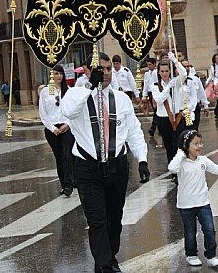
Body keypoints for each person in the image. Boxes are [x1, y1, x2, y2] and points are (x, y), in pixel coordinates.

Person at [60, 52, 150, 273]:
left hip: (116, 165)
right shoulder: (76, 95)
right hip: (88, 167)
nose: (106, 73)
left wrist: (142, 159)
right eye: (101, 69)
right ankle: (104, 266)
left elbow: (133, 130)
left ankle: (109, 257)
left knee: (114, 218)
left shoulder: (121, 99)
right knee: (97, 220)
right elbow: (68, 111)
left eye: (109, 69)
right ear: (88, 71)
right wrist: (90, 85)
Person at [169, 130, 218, 267]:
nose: (200, 146)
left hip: (203, 203)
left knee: (209, 229)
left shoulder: (203, 160)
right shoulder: (181, 162)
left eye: (201, 143)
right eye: (195, 144)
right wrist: (180, 153)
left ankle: (211, 256)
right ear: (185, 145)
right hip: (186, 205)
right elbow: (172, 168)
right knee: (190, 232)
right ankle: (191, 255)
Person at [38, 65, 74, 197]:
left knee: (67, 156)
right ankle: (64, 184)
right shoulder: (45, 92)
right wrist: (53, 128)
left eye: (61, 74)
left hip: (65, 127)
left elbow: (73, 110)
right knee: (59, 157)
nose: (59, 76)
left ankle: (69, 184)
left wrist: (68, 124)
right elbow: (43, 113)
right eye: (56, 74)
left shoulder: (69, 91)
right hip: (52, 129)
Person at [151, 55, 184, 182]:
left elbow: (184, 73)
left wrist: (175, 61)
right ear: (159, 72)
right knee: (169, 146)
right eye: (162, 71)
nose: (165, 73)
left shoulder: (176, 81)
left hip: (177, 117)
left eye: (166, 71)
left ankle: (181, 169)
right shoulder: (155, 85)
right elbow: (159, 99)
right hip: (164, 119)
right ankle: (174, 171)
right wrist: (168, 87)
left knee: (178, 145)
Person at [179, 60, 209, 132]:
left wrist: (206, 106)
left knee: (194, 129)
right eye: (184, 67)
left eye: (188, 66)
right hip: (184, 108)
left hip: (195, 107)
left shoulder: (195, 78)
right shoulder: (178, 80)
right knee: (185, 130)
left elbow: (201, 92)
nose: (186, 68)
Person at [142, 58, 158, 136]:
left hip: (156, 93)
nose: (149, 66)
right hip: (150, 93)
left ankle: (153, 127)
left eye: (150, 64)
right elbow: (146, 84)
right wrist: (144, 96)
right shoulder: (147, 74)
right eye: (148, 65)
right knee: (155, 110)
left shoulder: (157, 72)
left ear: (154, 64)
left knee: (157, 110)